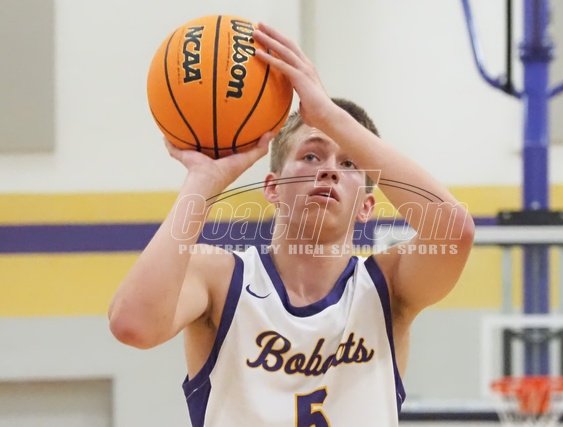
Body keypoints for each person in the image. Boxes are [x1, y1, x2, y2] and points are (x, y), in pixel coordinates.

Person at [109, 22, 474, 427]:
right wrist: (202, 181)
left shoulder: (388, 287)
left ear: (366, 207)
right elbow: (133, 325)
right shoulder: (219, 278)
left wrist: (330, 117)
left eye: (349, 163)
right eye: (311, 156)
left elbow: (455, 231)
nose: (329, 171)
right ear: (273, 187)